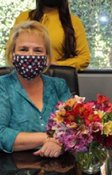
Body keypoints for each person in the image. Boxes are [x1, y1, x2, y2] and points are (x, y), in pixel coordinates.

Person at [0, 21, 69, 156]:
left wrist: (60, 143)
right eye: (23, 49)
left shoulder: (59, 86)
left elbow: (74, 127)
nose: (30, 55)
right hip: (13, 169)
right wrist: (49, 138)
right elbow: (1, 134)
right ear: (12, 55)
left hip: (57, 167)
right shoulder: (2, 86)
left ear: (47, 59)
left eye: (37, 50)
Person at [12, 0, 90, 69]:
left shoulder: (74, 22)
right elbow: (10, 51)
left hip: (59, 76)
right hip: (25, 76)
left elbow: (84, 58)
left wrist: (56, 65)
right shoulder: (24, 17)